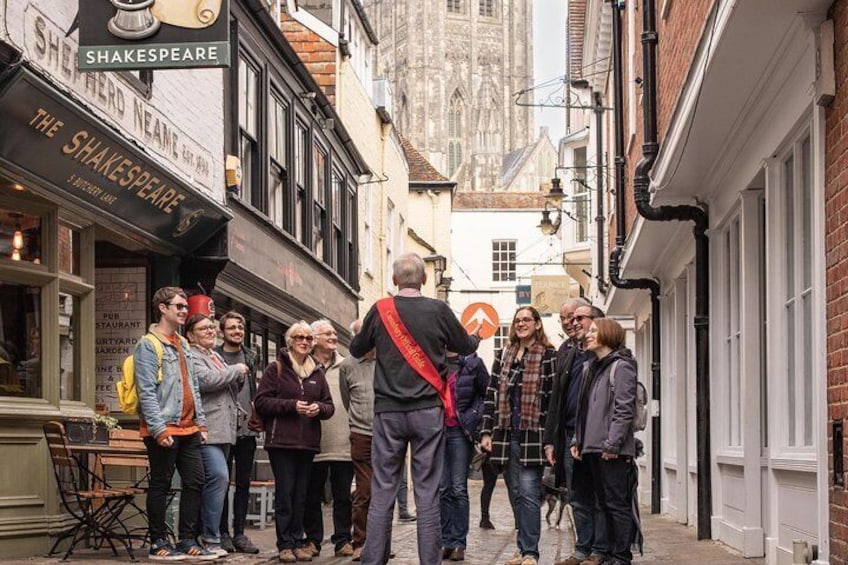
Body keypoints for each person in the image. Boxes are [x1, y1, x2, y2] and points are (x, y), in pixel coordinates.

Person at [350, 253, 480, 565]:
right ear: (424, 279)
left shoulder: (381, 309)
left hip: (388, 412)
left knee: (382, 488)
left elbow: (356, 349)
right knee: (427, 490)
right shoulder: (439, 309)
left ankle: (373, 560)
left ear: (394, 280)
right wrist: (474, 335)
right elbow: (466, 346)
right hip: (427, 411)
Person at [135, 287, 215, 561]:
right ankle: (158, 541)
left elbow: (192, 385)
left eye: (185, 307)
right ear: (162, 308)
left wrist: (201, 423)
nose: (184, 311)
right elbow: (146, 391)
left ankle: (187, 539)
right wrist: (158, 429)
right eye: (178, 306)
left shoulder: (183, 343)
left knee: (196, 482)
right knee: (161, 483)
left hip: (190, 427)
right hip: (165, 427)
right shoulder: (148, 344)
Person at [479, 306, 556, 565]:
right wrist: (486, 431)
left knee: (528, 491)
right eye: (517, 320)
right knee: (514, 493)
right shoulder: (504, 355)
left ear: (537, 324)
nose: (521, 324)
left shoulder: (548, 355)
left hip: (533, 434)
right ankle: (522, 548)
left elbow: (552, 401)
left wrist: (550, 439)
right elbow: (491, 395)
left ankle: (530, 552)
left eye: (526, 320)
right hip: (506, 434)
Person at [254, 321, 334, 563]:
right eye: (299, 337)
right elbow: (261, 402)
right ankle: (285, 543)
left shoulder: (317, 372)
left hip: (307, 443)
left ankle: (298, 541)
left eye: (309, 338)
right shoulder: (275, 368)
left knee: (302, 495)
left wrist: (317, 408)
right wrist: (291, 405)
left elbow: (329, 406)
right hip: (282, 443)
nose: (304, 341)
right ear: (290, 340)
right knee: (286, 495)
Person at [571, 318, 638, 565]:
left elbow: (624, 409)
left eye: (593, 331)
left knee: (616, 505)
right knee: (602, 503)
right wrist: (578, 439)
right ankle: (609, 554)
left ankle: (621, 556)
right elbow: (584, 410)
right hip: (591, 448)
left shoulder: (622, 367)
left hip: (612, 451)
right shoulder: (591, 368)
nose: (588, 335)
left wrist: (613, 444)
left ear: (608, 335)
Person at [549, 304, 609, 565]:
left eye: (578, 318)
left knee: (599, 495)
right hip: (570, 433)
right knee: (577, 495)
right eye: (568, 319)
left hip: (596, 435)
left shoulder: (604, 352)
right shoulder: (568, 351)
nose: (572, 323)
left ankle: (600, 549)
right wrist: (551, 439)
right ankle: (583, 548)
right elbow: (556, 399)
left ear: (596, 322)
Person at [185, 313, 249, 557]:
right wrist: (237, 369)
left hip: (225, 430)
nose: (211, 331)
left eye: (212, 328)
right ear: (191, 335)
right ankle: (210, 537)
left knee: (215, 482)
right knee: (219, 478)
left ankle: (206, 535)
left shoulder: (214, 356)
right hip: (206, 429)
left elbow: (231, 386)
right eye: (204, 329)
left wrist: (237, 375)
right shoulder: (192, 356)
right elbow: (205, 380)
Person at [303, 319, 354, 558]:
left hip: (343, 439)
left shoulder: (346, 365)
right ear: (315, 340)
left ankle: (343, 539)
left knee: (343, 495)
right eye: (328, 334)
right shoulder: (303, 365)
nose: (334, 336)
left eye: (335, 333)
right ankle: (312, 540)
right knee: (311, 494)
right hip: (312, 441)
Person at [215, 311, 261, 554]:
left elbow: (254, 390)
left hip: (246, 430)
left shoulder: (251, 355)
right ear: (222, 331)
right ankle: (222, 533)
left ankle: (240, 533)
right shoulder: (215, 356)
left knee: (243, 482)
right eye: (231, 328)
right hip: (221, 428)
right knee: (222, 481)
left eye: (240, 328)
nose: (237, 332)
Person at [440, 352, 489, 562]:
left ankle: (460, 543)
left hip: (460, 431)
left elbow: (487, 394)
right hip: (437, 432)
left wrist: (475, 416)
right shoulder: (433, 360)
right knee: (443, 489)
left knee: (458, 488)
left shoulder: (473, 363)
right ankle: (446, 541)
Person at [339, 319, 376, 562]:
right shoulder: (347, 366)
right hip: (361, 434)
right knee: (364, 490)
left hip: (387, 435)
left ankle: (380, 541)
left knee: (384, 492)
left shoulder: (387, 360)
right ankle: (360, 542)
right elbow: (346, 399)